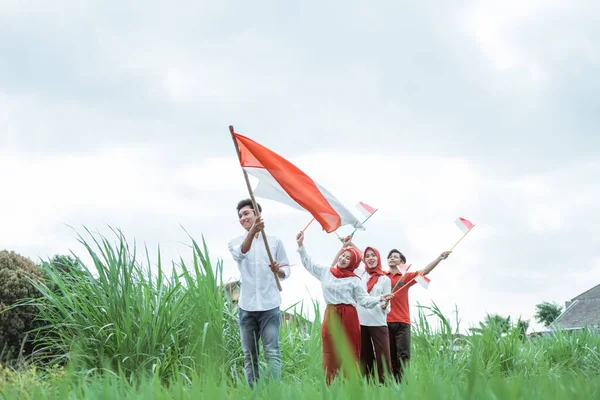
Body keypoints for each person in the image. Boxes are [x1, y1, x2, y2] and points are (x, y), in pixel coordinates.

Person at [295, 230, 393, 385]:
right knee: (329, 349)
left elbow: (364, 300)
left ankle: (350, 383)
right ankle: (330, 383)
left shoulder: (355, 280)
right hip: (331, 314)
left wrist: (380, 298)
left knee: (349, 350)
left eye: (348, 257)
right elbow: (308, 263)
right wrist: (301, 245)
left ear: (353, 262)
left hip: (349, 315)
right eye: (342, 255)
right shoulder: (326, 272)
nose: (343, 258)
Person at [227, 198, 291, 387]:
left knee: (272, 351)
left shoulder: (274, 242)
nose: (242, 218)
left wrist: (277, 269)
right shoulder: (235, 241)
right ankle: (254, 393)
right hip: (246, 307)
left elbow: (286, 270)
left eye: (246, 213)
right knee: (249, 355)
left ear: (257, 215)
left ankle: (273, 393)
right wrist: (253, 231)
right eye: (240, 216)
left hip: (269, 305)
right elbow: (240, 253)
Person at [386, 248, 451, 383]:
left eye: (395, 257)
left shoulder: (407, 277)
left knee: (403, 354)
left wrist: (439, 258)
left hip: (402, 321)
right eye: (390, 257)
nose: (391, 258)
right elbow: (368, 261)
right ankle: (391, 384)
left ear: (402, 262)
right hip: (385, 321)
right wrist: (349, 244)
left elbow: (425, 271)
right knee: (390, 355)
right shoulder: (382, 276)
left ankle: (403, 383)